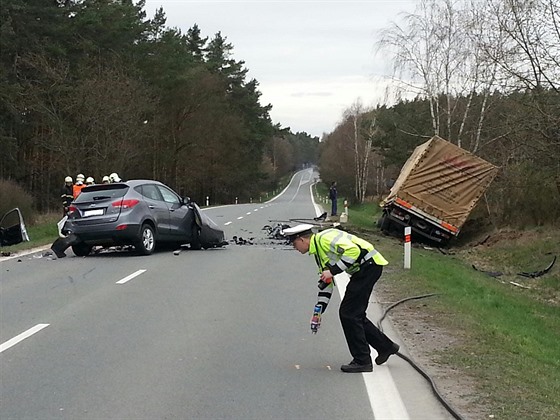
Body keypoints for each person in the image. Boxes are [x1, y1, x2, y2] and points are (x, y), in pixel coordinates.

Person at [283, 224, 400, 373]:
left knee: (349, 314)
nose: (295, 249)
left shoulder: (325, 239)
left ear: (302, 240)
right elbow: (327, 284)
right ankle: (386, 347)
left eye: (294, 245)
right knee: (354, 313)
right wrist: (318, 312)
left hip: (369, 266)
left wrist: (333, 271)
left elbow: (354, 251)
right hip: (364, 270)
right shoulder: (318, 251)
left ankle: (362, 360)